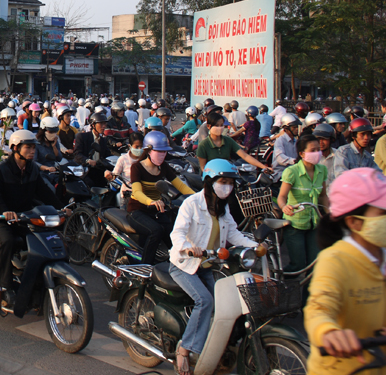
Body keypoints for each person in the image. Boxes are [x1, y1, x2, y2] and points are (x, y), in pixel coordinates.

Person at [304, 168, 386, 374]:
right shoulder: (334, 260)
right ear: (355, 222)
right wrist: (329, 333)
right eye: (385, 212)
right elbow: (318, 309)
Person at [168, 159, 261, 375]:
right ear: (209, 182)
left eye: (230, 182)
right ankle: (185, 349)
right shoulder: (192, 203)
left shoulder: (223, 208)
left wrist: (256, 246)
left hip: (207, 266)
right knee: (205, 300)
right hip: (184, 265)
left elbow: (234, 234)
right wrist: (189, 248)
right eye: (223, 181)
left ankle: (210, 349)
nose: (227, 186)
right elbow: (177, 233)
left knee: (221, 308)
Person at [0, 130, 65, 309]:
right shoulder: (1, 169)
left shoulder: (33, 169)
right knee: (8, 241)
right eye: (28, 147)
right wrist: (5, 211)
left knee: (42, 240)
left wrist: (61, 208)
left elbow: (44, 192)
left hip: (24, 219)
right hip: (1, 220)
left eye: (33, 147)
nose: (32, 151)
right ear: (15, 148)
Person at [127, 131, 194, 265]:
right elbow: (137, 192)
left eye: (164, 152)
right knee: (156, 231)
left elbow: (180, 186)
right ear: (149, 150)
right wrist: (151, 201)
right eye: (159, 151)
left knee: (173, 233)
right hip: (137, 210)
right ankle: (145, 267)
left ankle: (177, 265)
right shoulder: (137, 167)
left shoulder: (163, 167)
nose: (162, 155)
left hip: (156, 210)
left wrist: (199, 198)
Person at [277, 134, 328, 273]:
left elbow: (323, 196)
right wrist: (284, 207)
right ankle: (282, 284)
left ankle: (308, 295)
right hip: (295, 224)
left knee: (314, 266)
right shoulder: (291, 172)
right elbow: (281, 196)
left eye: (318, 149)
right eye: (313, 150)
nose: (317, 153)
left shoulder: (322, 170)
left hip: (314, 223)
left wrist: (330, 215)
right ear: (301, 153)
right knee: (298, 265)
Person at [196, 111, 272, 174]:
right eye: (217, 125)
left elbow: (245, 156)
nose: (220, 128)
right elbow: (203, 167)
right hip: (210, 178)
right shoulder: (204, 145)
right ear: (209, 126)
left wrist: (264, 167)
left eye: (222, 125)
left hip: (227, 176)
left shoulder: (228, 141)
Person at [73, 112, 112, 188]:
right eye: (101, 124)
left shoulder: (103, 140)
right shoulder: (82, 137)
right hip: (85, 170)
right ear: (93, 125)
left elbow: (108, 155)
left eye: (105, 124)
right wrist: (88, 160)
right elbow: (77, 154)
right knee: (90, 184)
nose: (104, 126)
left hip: (99, 170)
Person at [272, 113, 301, 179]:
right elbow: (280, 158)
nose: (297, 129)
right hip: (280, 173)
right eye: (294, 127)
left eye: (297, 127)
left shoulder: (296, 141)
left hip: (293, 171)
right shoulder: (280, 140)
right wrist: (294, 161)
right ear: (286, 128)